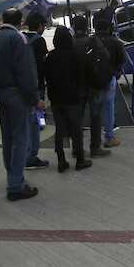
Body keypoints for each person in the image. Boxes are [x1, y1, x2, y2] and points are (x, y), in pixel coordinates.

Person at [0, 8, 40, 201]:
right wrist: (34, 98)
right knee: (21, 139)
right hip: (17, 94)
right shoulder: (18, 39)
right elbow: (26, 72)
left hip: (0, 92)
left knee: (7, 137)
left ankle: (12, 175)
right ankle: (15, 185)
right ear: (20, 21)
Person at [45, 26, 92, 172]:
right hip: (73, 98)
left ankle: (61, 160)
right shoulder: (76, 55)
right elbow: (82, 77)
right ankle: (80, 159)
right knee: (76, 129)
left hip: (56, 99)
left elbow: (47, 77)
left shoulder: (50, 56)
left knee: (59, 130)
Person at [71, 15, 112, 159]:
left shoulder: (71, 42)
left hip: (77, 87)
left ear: (74, 27)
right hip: (94, 85)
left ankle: (77, 149)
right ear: (87, 25)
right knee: (95, 117)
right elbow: (106, 57)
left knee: (77, 119)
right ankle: (95, 148)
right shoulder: (93, 41)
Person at [23, 12, 50, 170]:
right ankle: (30, 157)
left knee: (27, 119)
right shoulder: (39, 41)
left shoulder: (21, 37)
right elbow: (42, 66)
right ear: (39, 25)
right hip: (35, 85)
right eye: (43, 25)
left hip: (22, 86)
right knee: (36, 119)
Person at [94, 18, 127, 148]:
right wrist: (116, 73)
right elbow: (122, 60)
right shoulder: (116, 42)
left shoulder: (91, 41)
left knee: (95, 109)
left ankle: (95, 139)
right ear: (109, 28)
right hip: (109, 78)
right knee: (109, 108)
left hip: (94, 79)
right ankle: (109, 137)